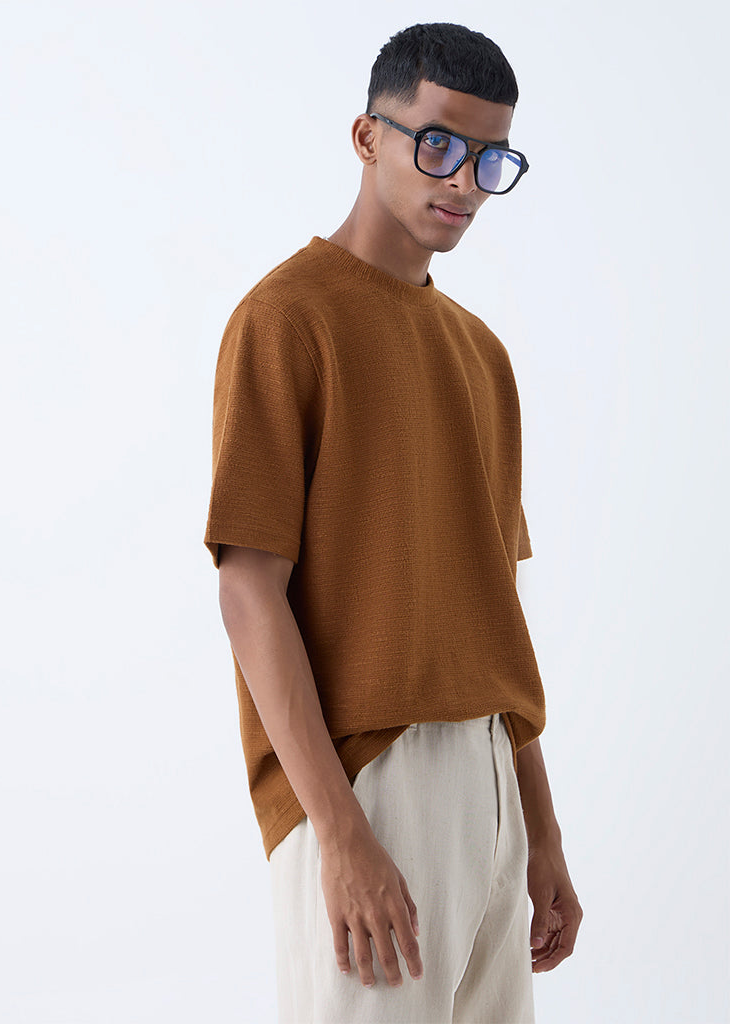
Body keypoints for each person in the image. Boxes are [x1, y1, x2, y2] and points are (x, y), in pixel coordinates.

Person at [204, 21, 583, 1024]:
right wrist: (340, 832)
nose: (463, 181)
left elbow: (496, 611)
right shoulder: (287, 319)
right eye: (438, 143)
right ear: (368, 136)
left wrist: (541, 832)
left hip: (491, 774)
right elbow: (248, 593)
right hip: (369, 778)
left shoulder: (481, 354)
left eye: (489, 158)